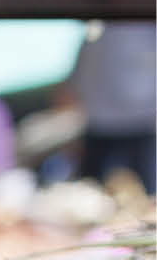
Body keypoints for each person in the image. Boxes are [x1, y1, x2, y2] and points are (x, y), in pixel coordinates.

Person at [58, 21, 155, 194]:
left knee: (149, 195)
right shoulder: (95, 32)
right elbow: (71, 89)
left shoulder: (147, 28)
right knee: (90, 195)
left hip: (141, 126)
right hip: (98, 128)